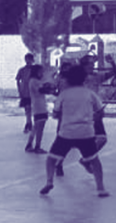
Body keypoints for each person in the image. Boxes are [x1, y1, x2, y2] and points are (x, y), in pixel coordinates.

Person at [41, 63, 107, 197]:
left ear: (68, 79)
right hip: (86, 132)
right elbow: (100, 112)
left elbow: (55, 114)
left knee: (51, 158)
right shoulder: (90, 93)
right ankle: (101, 188)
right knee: (95, 161)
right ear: (84, 78)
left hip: (67, 133)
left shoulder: (64, 94)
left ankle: (49, 181)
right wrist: (92, 117)